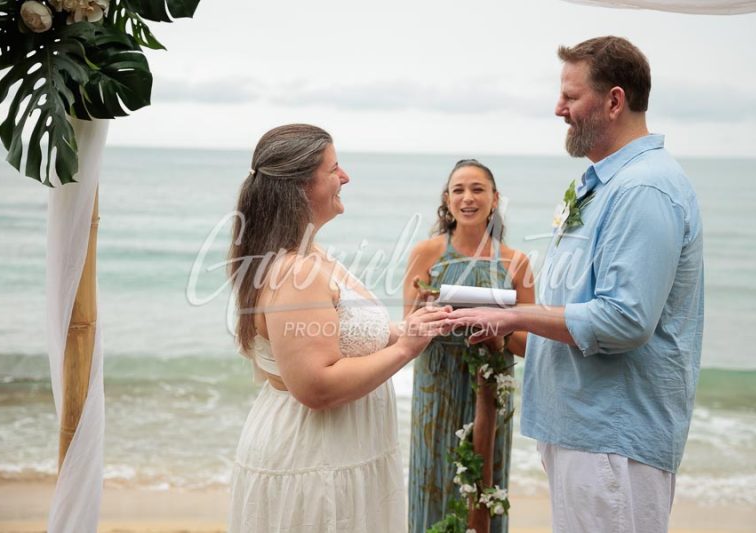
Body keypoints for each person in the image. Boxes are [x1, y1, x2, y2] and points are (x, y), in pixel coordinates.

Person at [445, 37, 704, 533]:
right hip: (583, 429)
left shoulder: (643, 188)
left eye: (571, 96)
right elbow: (578, 304)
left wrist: (513, 314)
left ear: (614, 101)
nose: (558, 108)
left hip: (611, 437)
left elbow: (625, 320)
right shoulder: (608, 183)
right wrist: (506, 323)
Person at [226, 124, 450, 533]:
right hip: (315, 461)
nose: (345, 177)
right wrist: (406, 349)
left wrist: (413, 327)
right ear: (301, 186)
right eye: (333, 169)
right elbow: (316, 386)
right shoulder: (295, 272)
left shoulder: (310, 253)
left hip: (345, 452)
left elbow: (345, 335)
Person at [403, 159, 534, 532]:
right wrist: (428, 314)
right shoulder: (426, 253)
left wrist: (500, 331)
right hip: (436, 387)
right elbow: (408, 329)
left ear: (495, 199)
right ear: (447, 200)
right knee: (432, 479)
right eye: (458, 190)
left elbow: (528, 343)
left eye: (478, 189)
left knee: (482, 487)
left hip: (490, 389)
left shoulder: (516, 262)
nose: (468, 198)